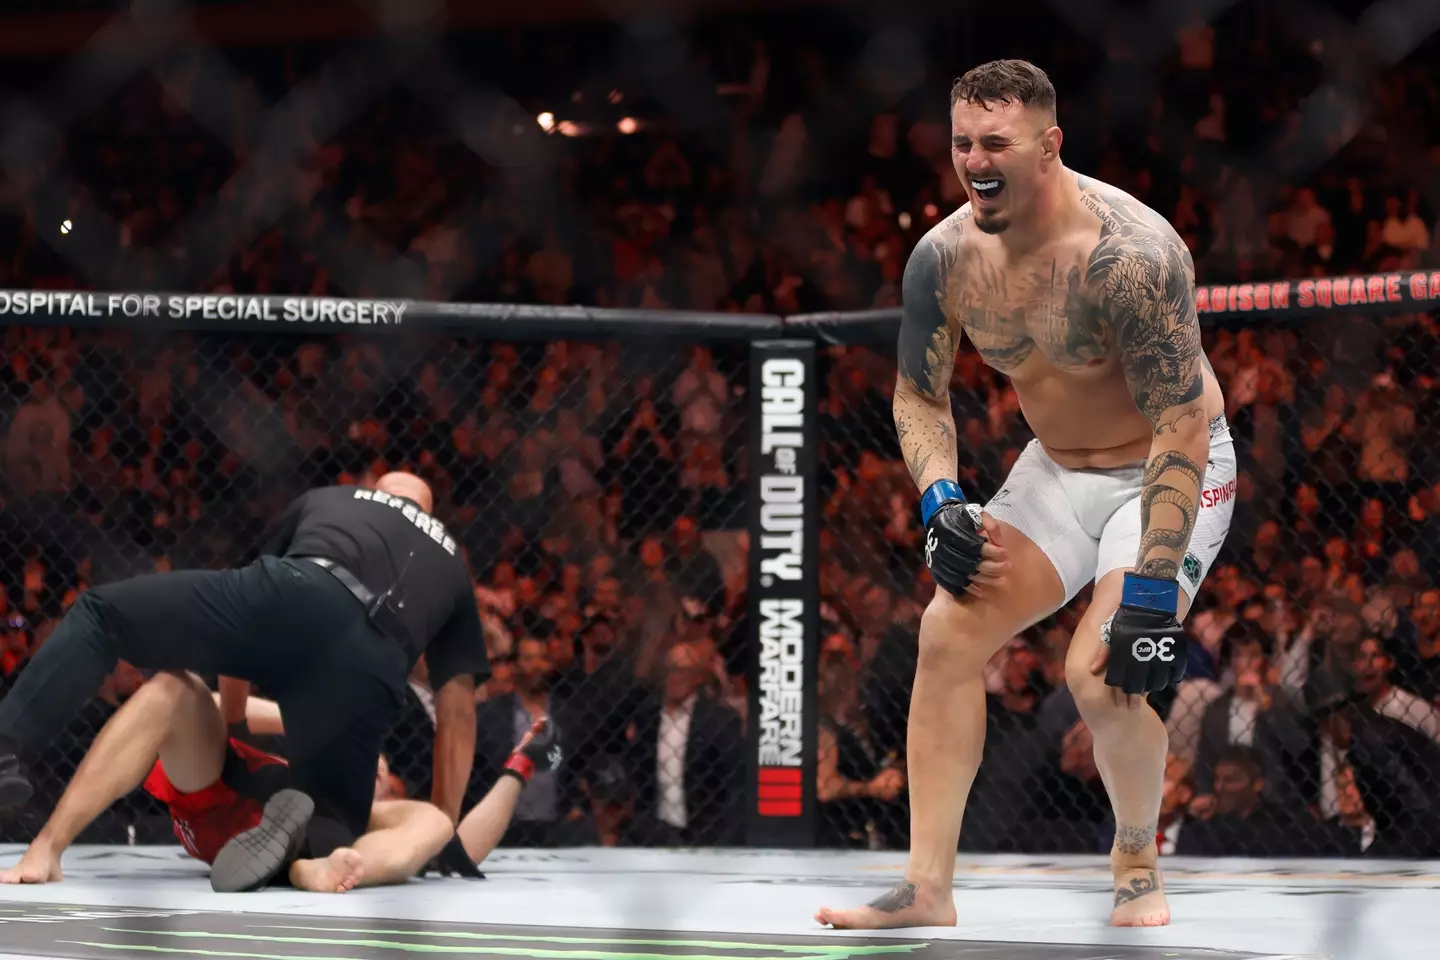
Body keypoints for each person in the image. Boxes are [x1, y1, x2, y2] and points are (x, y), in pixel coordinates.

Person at [815, 59, 1236, 930]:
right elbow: (919, 394)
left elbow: (1182, 424)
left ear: (1049, 147)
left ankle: (1133, 853)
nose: (975, 159)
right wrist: (939, 502)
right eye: (963, 141)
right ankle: (928, 887)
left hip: (1165, 467)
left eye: (996, 142)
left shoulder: (1133, 254)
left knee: (1098, 669)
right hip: (1055, 467)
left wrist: (1153, 589)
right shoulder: (945, 257)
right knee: (945, 634)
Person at [0, 472, 489, 892]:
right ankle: (312, 864)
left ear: (374, 489)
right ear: (429, 513)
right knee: (334, 824)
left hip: (299, 589)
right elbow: (458, 711)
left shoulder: (333, 497)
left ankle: (21, 785)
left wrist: (232, 717)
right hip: (374, 663)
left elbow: (246, 614)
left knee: (104, 614)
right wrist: (446, 821)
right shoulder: (450, 562)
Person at [0, 669, 562, 891]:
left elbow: (458, 842)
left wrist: (520, 765)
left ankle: (309, 868)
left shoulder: (383, 818)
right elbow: (217, 704)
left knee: (435, 821)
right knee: (171, 690)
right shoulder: (290, 759)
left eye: (381, 771)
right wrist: (318, 726)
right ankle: (47, 847)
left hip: (312, 838)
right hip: (227, 792)